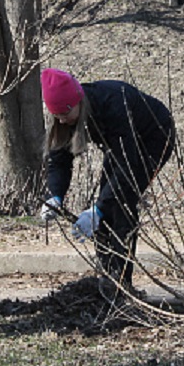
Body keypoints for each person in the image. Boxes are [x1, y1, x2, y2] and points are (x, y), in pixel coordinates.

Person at [39, 68, 175, 293]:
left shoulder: (112, 104)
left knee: (120, 202)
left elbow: (126, 165)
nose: (62, 121)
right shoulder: (66, 117)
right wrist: (55, 195)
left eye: (66, 114)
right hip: (121, 147)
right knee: (108, 201)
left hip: (154, 137)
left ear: (78, 102)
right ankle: (107, 276)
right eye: (57, 116)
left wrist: (98, 209)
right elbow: (59, 160)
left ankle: (121, 283)